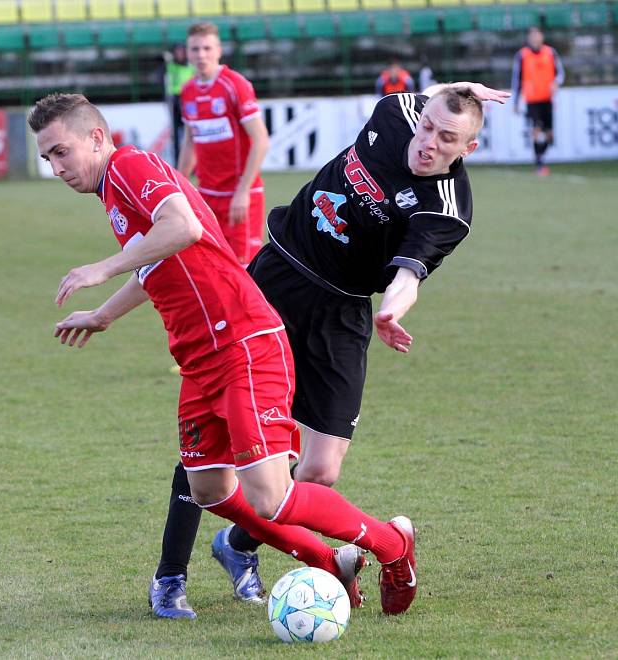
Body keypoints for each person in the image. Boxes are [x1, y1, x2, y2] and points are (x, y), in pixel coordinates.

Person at [28, 92, 421, 622]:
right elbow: (161, 259)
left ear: (96, 137)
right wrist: (103, 315)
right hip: (200, 359)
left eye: (60, 152)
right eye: (48, 158)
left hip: (242, 343)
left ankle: (392, 547)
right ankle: (329, 561)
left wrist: (104, 267)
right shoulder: (114, 190)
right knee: (209, 488)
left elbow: (183, 227)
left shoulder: (129, 166)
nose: (55, 168)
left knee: (270, 498)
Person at [151, 82, 511, 617]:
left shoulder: (446, 210)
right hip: (275, 278)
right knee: (216, 426)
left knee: (321, 468)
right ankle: (170, 577)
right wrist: (458, 90)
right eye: (427, 126)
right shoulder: (396, 114)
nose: (428, 141)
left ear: (468, 149)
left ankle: (238, 547)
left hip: (341, 312)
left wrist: (392, 311)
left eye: (446, 137)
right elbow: (422, 96)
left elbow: (410, 272)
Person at [178, 22, 269, 267]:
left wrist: (242, 191)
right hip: (206, 195)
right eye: (195, 49)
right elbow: (190, 142)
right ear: (187, 53)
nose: (201, 55)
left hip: (239, 195)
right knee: (213, 267)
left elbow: (260, 140)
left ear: (219, 50)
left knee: (246, 271)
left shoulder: (235, 85)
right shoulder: (187, 91)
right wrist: (179, 185)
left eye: (207, 48)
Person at [511, 27, 564, 176]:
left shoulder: (550, 52)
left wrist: (556, 82)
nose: (535, 39)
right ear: (529, 38)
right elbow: (517, 79)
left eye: (537, 36)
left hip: (547, 98)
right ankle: (539, 163)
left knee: (549, 134)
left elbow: (560, 73)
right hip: (532, 99)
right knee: (536, 130)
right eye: (532, 36)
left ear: (542, 37)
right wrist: (515, 102)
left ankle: (541, 157)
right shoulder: (522, 55)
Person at [163, 43, 194, 165]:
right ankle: (178, 163)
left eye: (181, 51)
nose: (179, 54)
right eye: (177, 51)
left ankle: (193, 165)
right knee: (176, 136)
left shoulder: (190, 66)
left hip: (188, 100)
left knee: (191, 132)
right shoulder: (171, 66)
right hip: (175, 100)